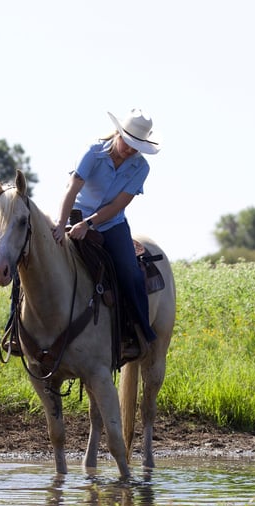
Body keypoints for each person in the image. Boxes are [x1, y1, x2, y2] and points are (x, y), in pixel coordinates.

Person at [52, 108, 161, 359]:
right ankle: (15, 329)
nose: (131, 150)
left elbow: (117, 206)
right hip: (75, 214)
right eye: (128, 142)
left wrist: (88, 225)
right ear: (118, 134)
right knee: (35, 253)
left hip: (111, 224)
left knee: (129, 270)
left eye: (137, 146)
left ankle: (138, 333)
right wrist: (60, 224)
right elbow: (72, 189)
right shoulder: (93, 152)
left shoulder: (140, 168)